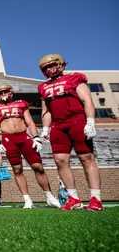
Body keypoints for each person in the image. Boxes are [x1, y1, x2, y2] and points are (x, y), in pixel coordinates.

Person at [38, 54, 102, 211]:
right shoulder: (43, 87)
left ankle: (96, 198)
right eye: (46, 67)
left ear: (61, 65)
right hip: (58, 125)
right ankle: (73, 198)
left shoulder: (74, 78)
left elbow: (87, 101)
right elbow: (46, 111)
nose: (50, 69)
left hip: (76, 119)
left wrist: (90, 122)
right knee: (60, 160)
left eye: (53, 65)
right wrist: (45, 128)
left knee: (86, 158)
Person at [0, 84, 61, 209]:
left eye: (5, 91)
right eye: (0, 93)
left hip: (24, 136)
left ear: (11, 92)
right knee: (17, 170)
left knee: (38, 167)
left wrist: (36, 137)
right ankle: (27, 199)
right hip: (8, 139)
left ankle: (49, 196)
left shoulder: (21, 103)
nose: (3, 94)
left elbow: (30, 122)